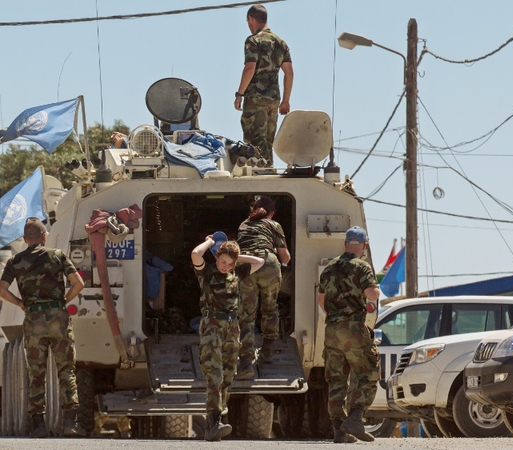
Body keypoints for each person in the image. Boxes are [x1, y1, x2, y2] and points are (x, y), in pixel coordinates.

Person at [0, 218, 86, 439]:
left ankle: (38, 426)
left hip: (33, 319)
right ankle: (70, 424)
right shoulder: (57, 255)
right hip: (58, 318)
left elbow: (1, 290)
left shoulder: (15, 262)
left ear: (26, 239)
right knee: (66, 371)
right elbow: (79, 284)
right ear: (44, 236)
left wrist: (20, 303)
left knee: (36, 374)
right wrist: (63, 301)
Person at [191, 235, 264, 441]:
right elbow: (196, 254)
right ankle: (214, 422)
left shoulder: (237, 273)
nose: (225, 266)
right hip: (212, 326)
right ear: (216, 258)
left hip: (232, 328)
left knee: (228, 375)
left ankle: (214, 422)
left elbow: (260, 262)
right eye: (223, 261)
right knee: (215, 374)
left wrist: (236, 257)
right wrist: (209, 242)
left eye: (229, 263)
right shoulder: (207, 272)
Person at [317, 226, 380, 443]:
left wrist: (336, 316)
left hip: (332, 330)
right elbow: (371, 294)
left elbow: (322, 303)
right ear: (363, 246)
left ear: (345, 244)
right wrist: (376, 291)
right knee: (368, 372)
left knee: (336, 379)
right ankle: (355, 416)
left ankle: (339, 430)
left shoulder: (329, 268)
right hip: (353, 328)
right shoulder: (362, 267)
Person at [234, 196, 291, 379]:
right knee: (270, 307)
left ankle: (245, 363)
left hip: (247, 265)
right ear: (272, 212)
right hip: (267, 263)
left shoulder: (243, 225)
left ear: (253, 210)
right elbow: (285, 258)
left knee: (246, 315)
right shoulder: (274, 225)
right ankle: (267, 350)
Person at [234, 4, 293, 167]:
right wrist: (286, 101)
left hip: (255, 99)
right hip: (273, 100)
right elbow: (289, 72)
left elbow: (249, 68)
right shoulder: (281, 43)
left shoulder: (253, 41)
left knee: (254, 144)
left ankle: (260, 178)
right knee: (268, 143)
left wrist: (239, 94)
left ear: (251, 19)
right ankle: (268, 174)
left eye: (248, 21)